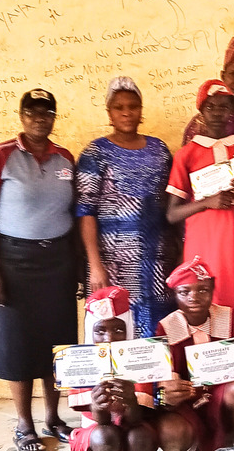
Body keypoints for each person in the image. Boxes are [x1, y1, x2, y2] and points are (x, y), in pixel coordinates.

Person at [0, 88, 77, 451]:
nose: (39, 119)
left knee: (56, 343)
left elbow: (75, 214)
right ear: (21, 116)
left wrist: (77, 268)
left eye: (46, 113)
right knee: (17, 345)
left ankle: (54, 418)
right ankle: (24, 424)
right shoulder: (0, 156)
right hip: (13, 263)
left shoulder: (65, 158)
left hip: (58, 263)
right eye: (32, 113)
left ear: (54, 118)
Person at [76, 76, 177, 338]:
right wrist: (95, 264)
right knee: (115, 328)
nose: (126, 113)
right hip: (113, 263)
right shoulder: (95, 153)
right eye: (119, 107)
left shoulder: (159, 150)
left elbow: (172, 202)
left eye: (133, 106)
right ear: (109, 113)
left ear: (141, 111)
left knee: (159, 332)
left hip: (158, 260)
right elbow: (85, 212)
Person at [166, 79, 234, 344]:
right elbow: (172, 214)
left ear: (232, 110)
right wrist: (206, 202)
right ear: (201, 110)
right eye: (211, 107)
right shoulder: (186, 154)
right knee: (211, 293)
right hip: (206, 234)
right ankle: (211, 354)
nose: (218, 113)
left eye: (224, 106)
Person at [155, 256, 234, 451]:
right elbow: (164, 387)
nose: (194, 297)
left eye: (203, 290)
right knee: (171, 430)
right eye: (184, 292)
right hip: (187, 402)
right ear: (175, 294)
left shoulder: (228, 316)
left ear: (213, 290)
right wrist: (166, 395)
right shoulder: (167, 327)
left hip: (224, 396)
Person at [67, 287, 157, 451]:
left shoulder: (140, 360)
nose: (109, 339)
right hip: (96, 431)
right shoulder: (80, 363)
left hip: (130, 425)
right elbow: (100, 421)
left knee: (140, 435)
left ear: (129, 330)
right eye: (100, 331)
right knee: (105, 436)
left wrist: (131, 401)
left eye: (118, 330)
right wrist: (97, 405)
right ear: (90, 332)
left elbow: (135, 420)